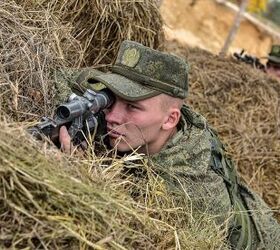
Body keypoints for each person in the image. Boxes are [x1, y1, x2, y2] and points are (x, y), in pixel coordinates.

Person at [59, 40, 280, 249]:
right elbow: (66, 76)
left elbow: (128, 229)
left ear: (170, 120)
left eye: (132, 107)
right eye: (112, 99)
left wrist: (83, 175)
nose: (112, 117)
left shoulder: (191, 193)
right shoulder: (147, 125)